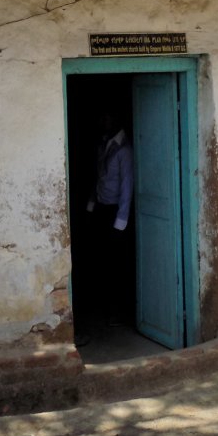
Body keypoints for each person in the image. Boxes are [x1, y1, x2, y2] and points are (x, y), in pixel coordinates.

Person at [85, 109, 134, 327]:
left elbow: (126, 187)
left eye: (107, 116)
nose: (103, 120)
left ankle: (116, 309)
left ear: (116, 118)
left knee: (116, 262)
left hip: (115, 212)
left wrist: (120, 223)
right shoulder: (104, 144)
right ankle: (103, 306)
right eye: (101, 117)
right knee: (101, 260)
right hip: (102, 209)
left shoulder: (124, 150)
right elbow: (99, 178)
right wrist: (90, 205)